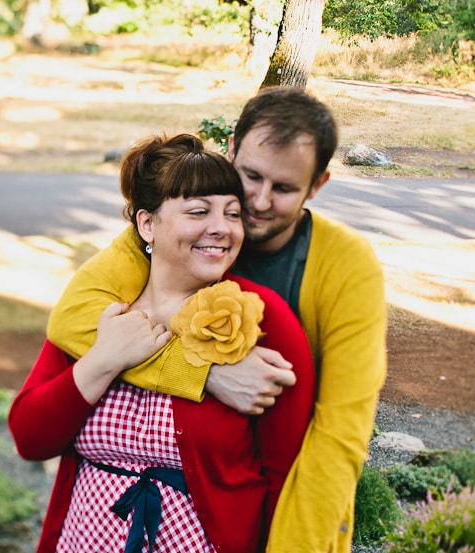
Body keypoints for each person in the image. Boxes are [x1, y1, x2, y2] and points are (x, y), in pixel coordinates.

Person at [44, 87, 388, 552]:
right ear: (231, 153)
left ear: (318, 185)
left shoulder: (346, 265)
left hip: (292, 490)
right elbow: (72, 319)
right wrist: (201, 372)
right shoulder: (172, 232)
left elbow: (339, 432)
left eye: (284, 188)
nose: (259, 202)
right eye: (250, 176)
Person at [9, 133, 315, 553]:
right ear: (147, 224)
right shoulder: (100, 314)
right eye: (198, 211)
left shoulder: (263, 319)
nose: (221, 228)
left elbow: (289, 474)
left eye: (231, 213)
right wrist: (105, 359)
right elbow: (30, 437)